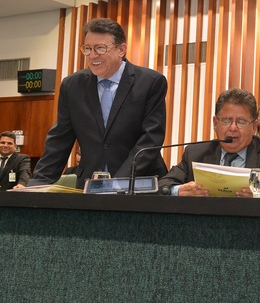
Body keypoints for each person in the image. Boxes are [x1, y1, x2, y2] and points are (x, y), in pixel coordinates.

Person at [30, 18, 168, 187]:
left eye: (100, 48)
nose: (93, 55)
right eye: (88, 48)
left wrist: (117, 183)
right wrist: (37, 184)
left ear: (121, 50)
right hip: (90, 184)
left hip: (138, 183)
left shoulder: (150, 82)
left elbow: (151, 138)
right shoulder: (72, 85)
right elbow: (59, 139)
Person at [158, 88, 260, 197]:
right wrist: (178, 190)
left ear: (254, 127)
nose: (233, 128)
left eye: (241, 122)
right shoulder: (195, 153)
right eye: (226, 120)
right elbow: (163, 185)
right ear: (215, 123)